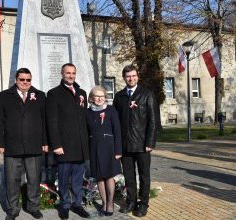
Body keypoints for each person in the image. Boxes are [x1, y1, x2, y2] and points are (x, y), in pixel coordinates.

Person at [0, 68, 48, 220]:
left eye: (28, 80)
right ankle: (12, 209)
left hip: (34, 146)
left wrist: (45, 142)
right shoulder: (4, 96)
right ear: (16, 80)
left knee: (34, 179)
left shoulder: (40, 95)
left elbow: (45, 121)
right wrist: (0, 143)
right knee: (12, 180)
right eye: (22, 79)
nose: (25, 82)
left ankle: (33, 206)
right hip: (12, 146)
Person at [46, 63, 90, 219]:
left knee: (78, 178)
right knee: (64, 179)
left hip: (80, 145)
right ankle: (64, 204)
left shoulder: (82, 92)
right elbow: (51, 121)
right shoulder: (53, 93)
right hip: (64, 146)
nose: (71, 76)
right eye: (68, 73)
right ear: (62, 74)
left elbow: (85, 118)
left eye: (73, 73)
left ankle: (77, 204)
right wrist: (56, 144)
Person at [113, 65, 158, 217]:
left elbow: (153, 120)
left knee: (144, 175)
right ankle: (131, 201)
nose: (131, 79)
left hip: (142, 145)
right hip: (125, 145)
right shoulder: (119, 97)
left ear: (137, 76)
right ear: (124, 78)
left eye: (133, 76)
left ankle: (143, 203)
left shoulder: (147, 94)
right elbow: (116, 122)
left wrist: (150, 143)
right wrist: (117, 145)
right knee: (129, 176)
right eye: (128, 76)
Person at [86, 86, 122, 216]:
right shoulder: (88, 112)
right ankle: (104, 202)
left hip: (110, 148)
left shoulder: (111, 110)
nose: (100, 98)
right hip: (94, 148)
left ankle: (111, 203)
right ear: (91, 98)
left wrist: (118, 150)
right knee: (99, 178)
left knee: (109, 177)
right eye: (96, 96)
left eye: (102, 96)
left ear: (105, 97)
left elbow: (117, 130)